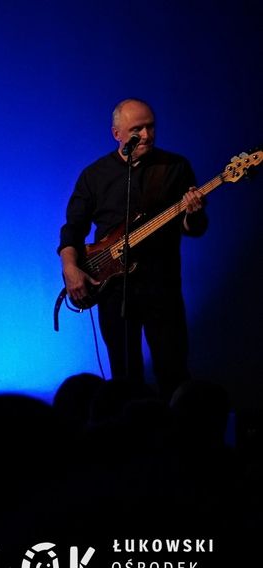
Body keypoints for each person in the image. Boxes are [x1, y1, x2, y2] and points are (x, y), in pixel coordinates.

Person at [59, 98, 208, 397]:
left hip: (161, 287)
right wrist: (70, 268)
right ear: (117, 134)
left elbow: (196, 229)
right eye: (137, 129)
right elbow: (73, 229)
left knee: (173, 370)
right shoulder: (95, 175)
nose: (147, 135)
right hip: (114, 290)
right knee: (125, 377)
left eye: (150, 127)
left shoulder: (175, 167)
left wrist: (192, 213)